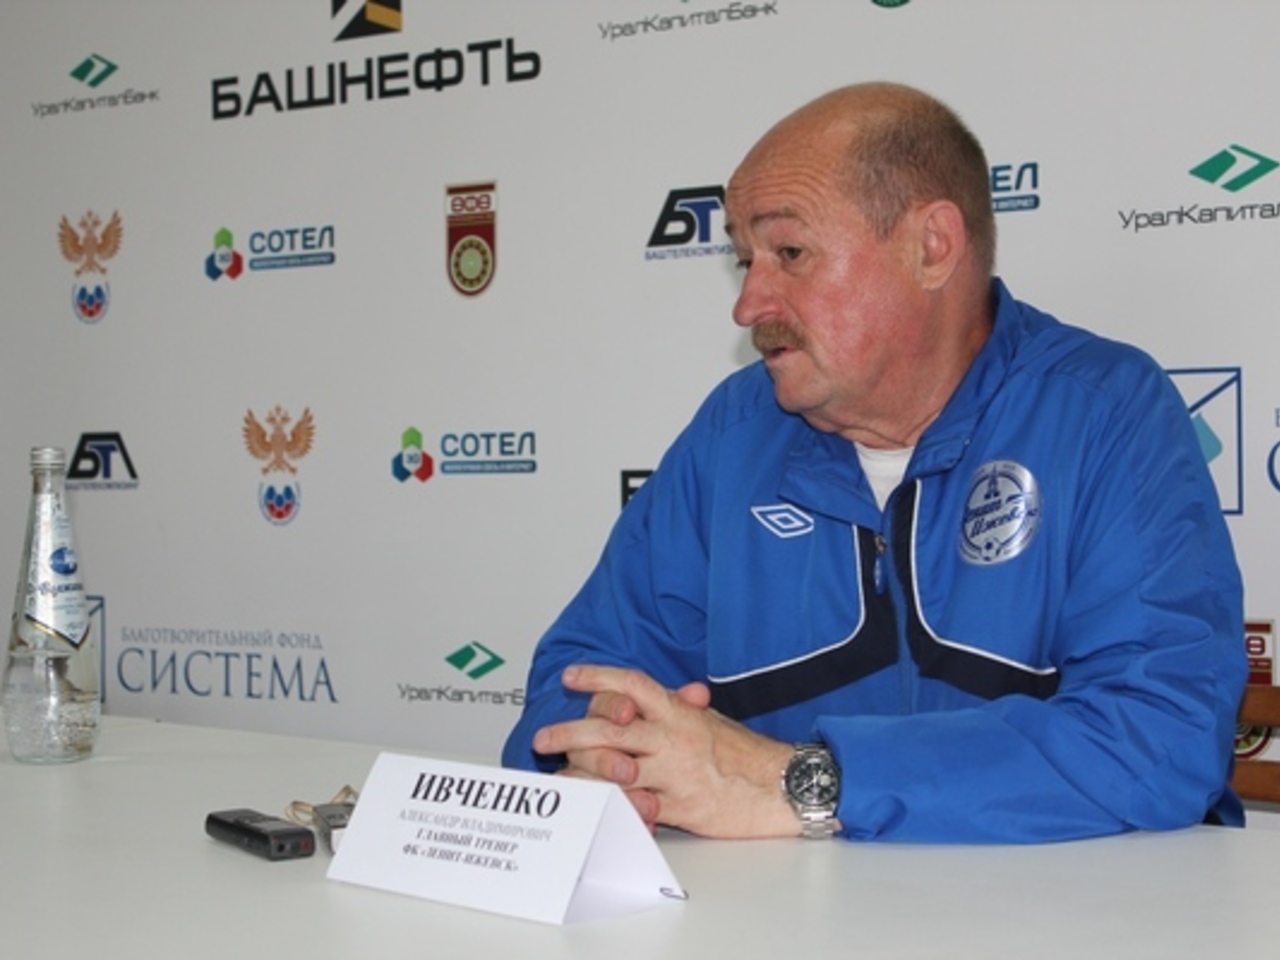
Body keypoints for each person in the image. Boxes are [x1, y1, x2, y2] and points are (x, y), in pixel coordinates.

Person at [501, 82, 1247, 843]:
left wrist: (799, 782)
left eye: (790, 253)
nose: (749, 304)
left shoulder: (1102, 411)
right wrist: (610, 755)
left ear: (931, 247)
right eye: (746, 260)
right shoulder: (733, 434)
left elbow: (1162, 734)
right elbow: (582, 675)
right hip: (780, 907)